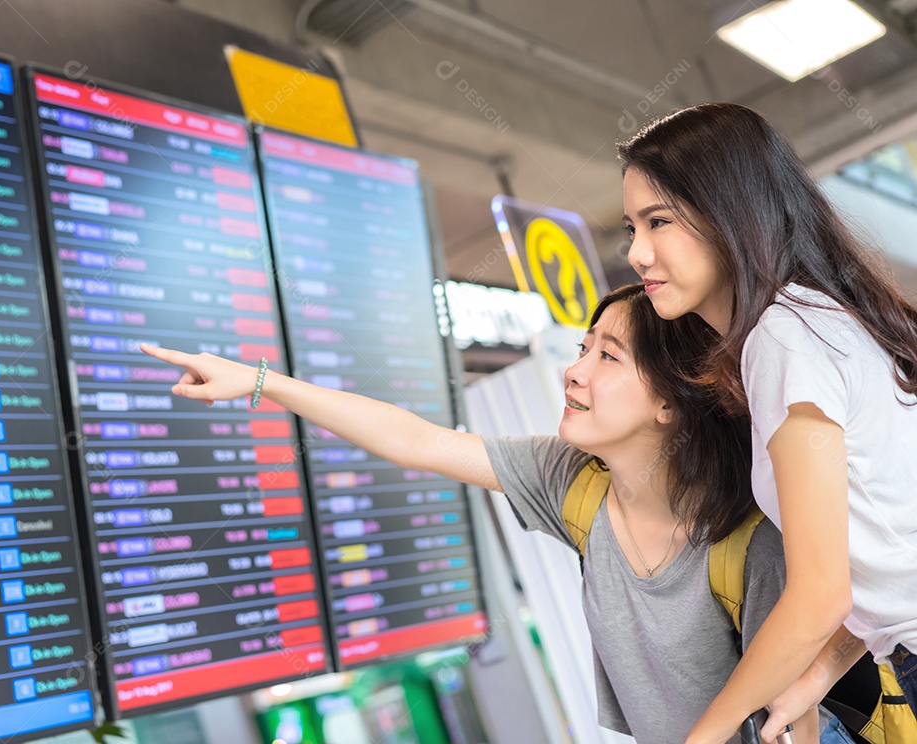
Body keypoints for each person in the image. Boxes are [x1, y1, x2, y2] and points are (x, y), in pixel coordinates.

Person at [141, 285, 846, 744]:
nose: (575, 370)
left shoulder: (752, 542)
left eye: (608, 356)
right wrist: (259, 381)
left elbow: (796, 719)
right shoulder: (573, 482)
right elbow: (415, 440)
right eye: (582, 348)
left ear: (670, 401)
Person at [618, 102, 917, 743]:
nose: (637, 252)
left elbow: (822, 592)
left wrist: (704, 735)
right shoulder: (815, 319)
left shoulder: (784, 337)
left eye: (659, 221)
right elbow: (885, 563)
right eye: (631, 227)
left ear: (728, 210)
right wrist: (810, 680)